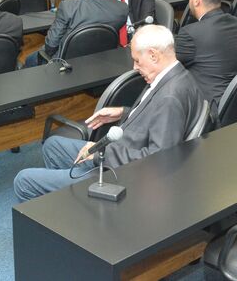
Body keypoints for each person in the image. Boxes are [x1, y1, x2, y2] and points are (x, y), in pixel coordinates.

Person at [14, 24, 206, 201]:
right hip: (121, 152)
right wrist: (122, 112)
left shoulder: (169, 97)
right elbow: (156, 119)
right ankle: (72, 199)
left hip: (120, 173)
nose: (134, 67)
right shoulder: (178, 76)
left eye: (137, 60)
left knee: (23, 180)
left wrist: (100, 154)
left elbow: (158, 159)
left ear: (153, 55)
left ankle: (80, 200)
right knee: (52, 146)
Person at [174, 0, 237, 112]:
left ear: (196, 1)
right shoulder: (236, 23)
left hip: (211, 109)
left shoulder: (190, 33)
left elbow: (168, 63)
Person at [28, 0, 127, 65]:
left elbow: (51, 45)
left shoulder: (68, 6)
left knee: (29, 60)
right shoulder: (122, 9)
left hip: (65, 63)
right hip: (102, 61)